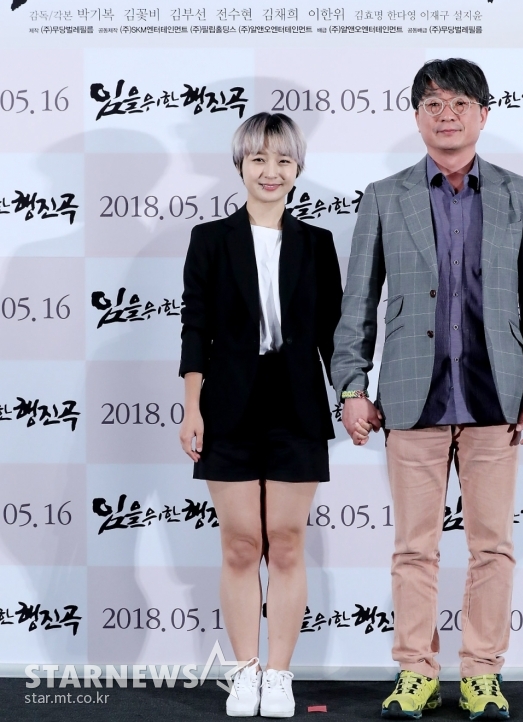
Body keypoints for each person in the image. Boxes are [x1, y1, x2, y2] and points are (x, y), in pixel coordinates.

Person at [331, 58, 523, 720]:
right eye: (433, 104)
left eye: (459, 103)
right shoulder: (385, 195)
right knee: (412, 548)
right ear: (417, 116)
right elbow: (357, 302)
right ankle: (416, 673)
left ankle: (482, 673)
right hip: (411, 398)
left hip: (495, 399)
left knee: (493, 546)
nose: (446, 115)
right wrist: (351, 386)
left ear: (483, 114)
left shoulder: (519, 194)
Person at [178, 112, 342, 718]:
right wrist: (191, 407)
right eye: (258, 160)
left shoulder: (317, 244)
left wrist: (352, 394)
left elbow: (333, 334)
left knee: (288, 542)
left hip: (297, 401)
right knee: (242, 544)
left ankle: (279, 674)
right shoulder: (209, 240)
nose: (271, 172)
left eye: (283, 160)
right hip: (228, 402)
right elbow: (195, 328)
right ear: (240, 166)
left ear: (298, 169)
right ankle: (244, 671)